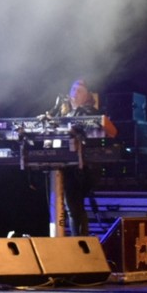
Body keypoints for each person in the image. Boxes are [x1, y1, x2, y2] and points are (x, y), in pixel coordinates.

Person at [58, 78, 99, 237]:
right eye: (73, 89)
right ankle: (78, 242)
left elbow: (92, 125)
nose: (75, 93)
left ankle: (80, 244)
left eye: (80, 90)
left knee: (75, 207)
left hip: (82, 167)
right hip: (66, 164)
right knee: (72, 208)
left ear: (87, 95)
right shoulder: (64, 113)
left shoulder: (89, 112)